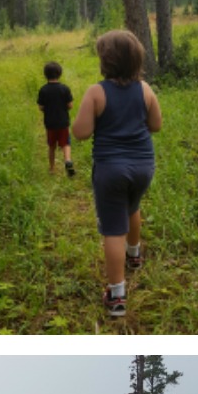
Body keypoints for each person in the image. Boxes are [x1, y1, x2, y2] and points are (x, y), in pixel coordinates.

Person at [71, 30, 162, 318]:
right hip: (143, 167)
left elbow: (82, 133)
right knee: (132, 207)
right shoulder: (145, 89)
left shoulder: (96, 92)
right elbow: (156, 125)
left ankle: (116, 296)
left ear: (106, 62)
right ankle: (134, 255)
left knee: (113, 229)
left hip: (111, 169)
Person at [37, 61, 75, 176]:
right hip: (63, 122)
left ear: (45, 75)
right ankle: (68, 160)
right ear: (60, 74)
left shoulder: (43, 90)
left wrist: (47, 109)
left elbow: (41, 107)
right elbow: (70, 105)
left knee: (51, 146)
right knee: (66, 144)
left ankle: (52, 168)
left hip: (50, 123)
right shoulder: (64, 89)